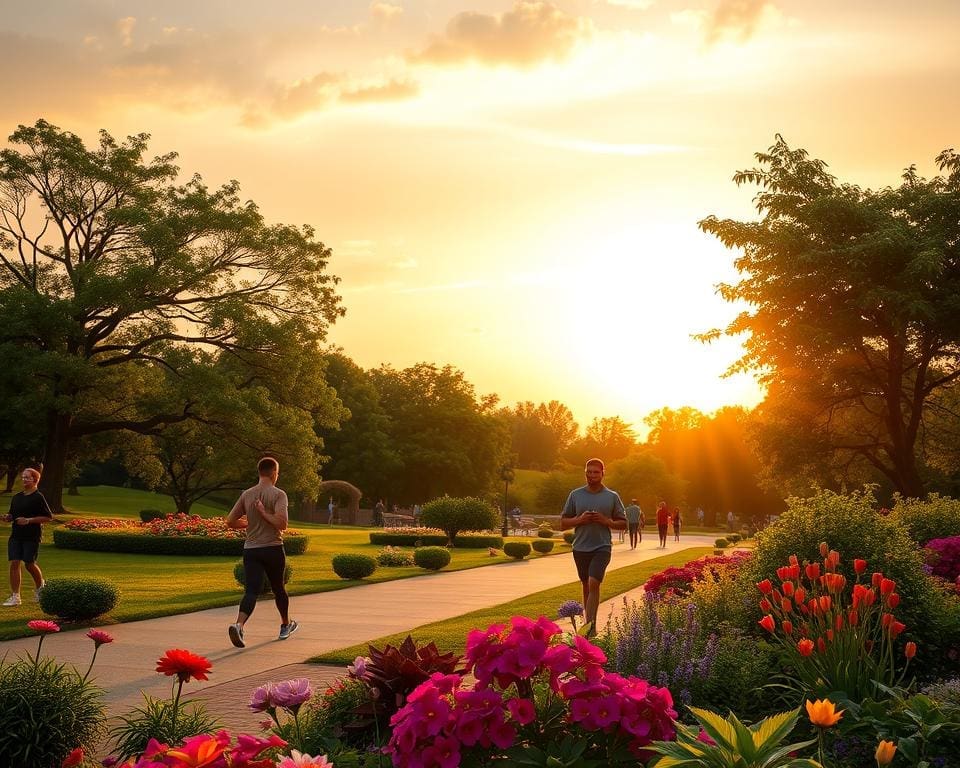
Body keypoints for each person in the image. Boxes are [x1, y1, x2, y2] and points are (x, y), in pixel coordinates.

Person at [226, 457, 298, 646]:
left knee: (251, 591)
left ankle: (239, 625)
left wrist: (248, 523)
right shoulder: (279, 494)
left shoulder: (247, 494)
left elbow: (230, 521)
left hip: (251, 550)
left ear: (260, 472)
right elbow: (282, 523)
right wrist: (265, 514)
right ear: (274, 473)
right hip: (272, 548)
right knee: (278, 588)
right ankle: (285, 624)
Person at [560, 459, 627, 634]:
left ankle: (590, 627)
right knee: (586, 585)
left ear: (602, 473)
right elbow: (563, 523)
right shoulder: (575, 495)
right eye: (589, 472)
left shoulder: (612, 496)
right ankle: (590, 626)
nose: (592, 475)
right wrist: (579, 520)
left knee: (594, 582)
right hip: (580, 547)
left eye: (595, 472)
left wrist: (606, 521)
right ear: (585, 473)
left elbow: (623, 523)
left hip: (602, 547)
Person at [3, 467, 53, 606]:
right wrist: (8, 517)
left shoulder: (38, 497)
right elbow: (13, 514)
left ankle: (40, 588)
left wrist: (29, 520)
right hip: (16, 535)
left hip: (31, 536)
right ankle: (15, 597)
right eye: (23, 477)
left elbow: (48, 517)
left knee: (29, 564)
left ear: (35, 480)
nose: (24, 479)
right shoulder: (17, 497)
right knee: (14, 563)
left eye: (27, 477)